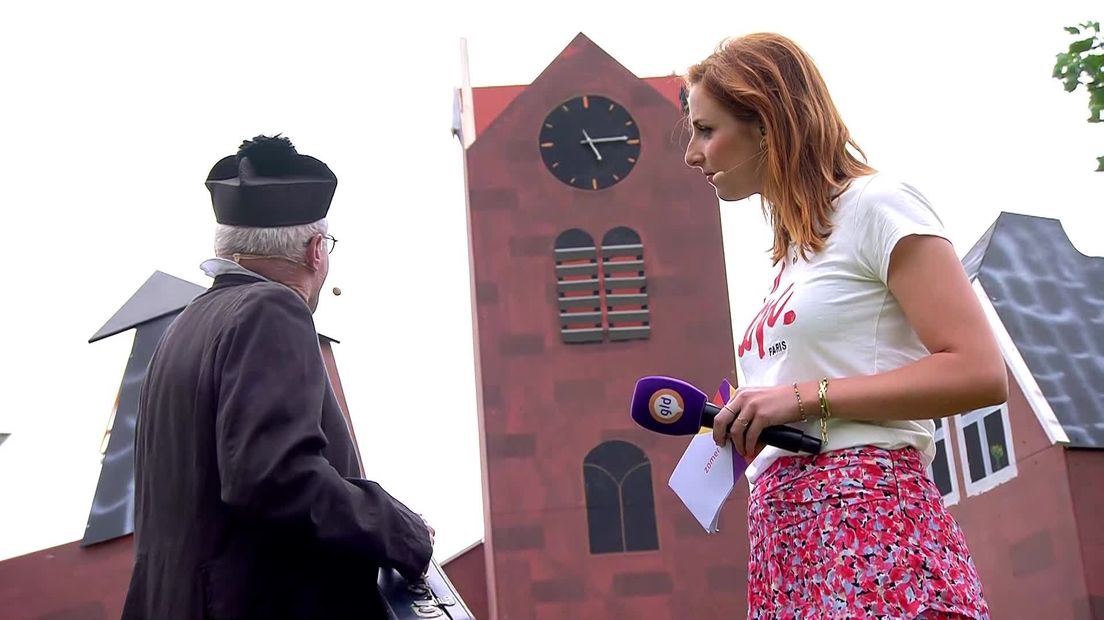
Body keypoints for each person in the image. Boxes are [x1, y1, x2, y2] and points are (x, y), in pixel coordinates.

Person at [683, 34, 1006, 619]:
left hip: (870, 520)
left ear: (767, 123)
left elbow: (980, 370)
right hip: (785, 543)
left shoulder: (877, 205)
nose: (692, 153)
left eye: (706, 130)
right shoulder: (788, 262)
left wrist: (802, 398)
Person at [121, 135, 434, 620]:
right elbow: (273, 479)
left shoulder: (186, 325)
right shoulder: (271, 309)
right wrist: (399, 530)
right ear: (315, 251)